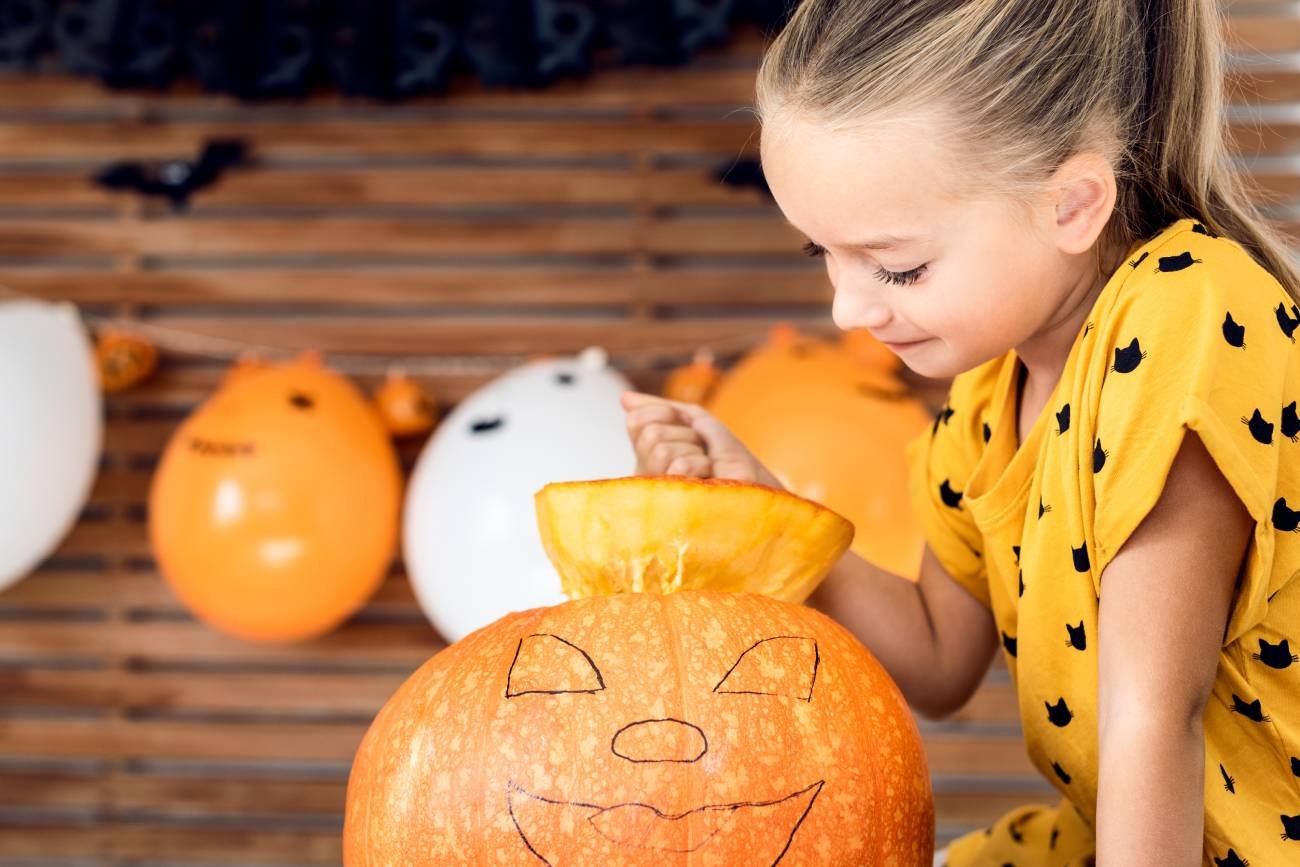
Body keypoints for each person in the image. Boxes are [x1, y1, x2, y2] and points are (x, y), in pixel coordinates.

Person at [621, 1, 1300, 864]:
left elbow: (1152, 715)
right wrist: (763, 509)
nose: (848, 307)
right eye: (819, 254)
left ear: (1074, 204)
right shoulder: (989, 389)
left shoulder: (1187, 314)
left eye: (896, 265)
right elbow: (940, 656)